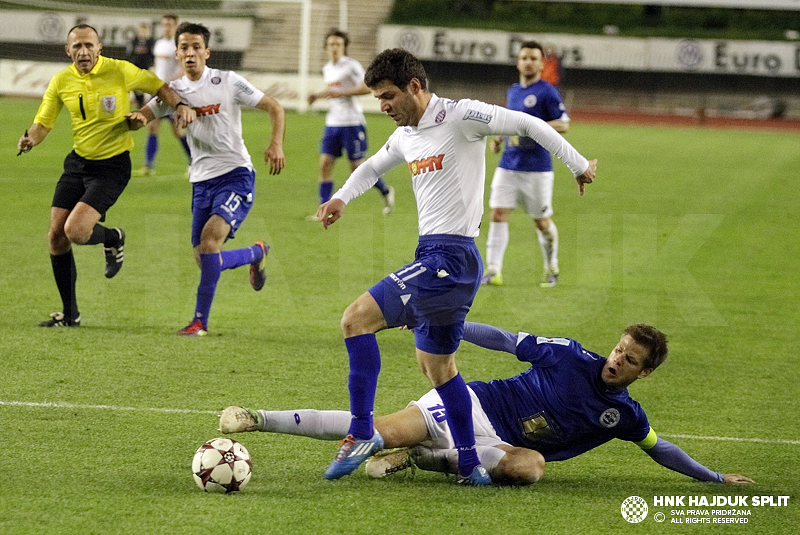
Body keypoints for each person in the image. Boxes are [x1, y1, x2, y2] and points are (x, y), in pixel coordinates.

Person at [313, 48, 597, 485]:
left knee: (355, 321)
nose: (383, 106)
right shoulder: (406, 135)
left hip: (453, 259)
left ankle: (359, 433)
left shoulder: (462, 115)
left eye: (388, 96)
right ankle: (468, 463)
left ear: (415, 86)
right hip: (433, 256)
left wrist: (577, 164)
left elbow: (527, 123)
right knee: (438, 369)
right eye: (377, 100)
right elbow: (372, 166)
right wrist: (341, 198)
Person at [219, 321, 754, 486]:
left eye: (630, 360)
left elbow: (660, 450)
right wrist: (450, 327)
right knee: (377, 430)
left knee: (532, 469)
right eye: (619, 350)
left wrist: (712, 479)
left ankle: (423, 459)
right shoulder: (568, 355)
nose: (616, 361)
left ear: (645, 371)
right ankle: (257, 419)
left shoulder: (625, 416)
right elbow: (503, 339)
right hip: (469, 404)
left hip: (500, 445)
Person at [17, 24, 195, 327]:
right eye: (77, 46)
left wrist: (179, 105)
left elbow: (160, 87)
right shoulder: (62, 81)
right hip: (77, 164)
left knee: (75, 231)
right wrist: (31, 138)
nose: (83, 52)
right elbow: (44, 120)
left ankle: (113, 237)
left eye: (89, 45)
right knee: (56, 236)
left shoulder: (121, 70)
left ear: (100, 48)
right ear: (68, 50)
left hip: (112, 167)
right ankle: (69, 314)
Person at [129, 22, 286, 337]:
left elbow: (274, 107)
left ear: (207, 52)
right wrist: (131, 119)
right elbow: (142, 118)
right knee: (204, 258)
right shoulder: (173, 93)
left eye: (196, 47)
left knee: (211, 239)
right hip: (201, 181)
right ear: (176, 53)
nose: (190, 53)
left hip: (236, 174)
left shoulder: (227, 82)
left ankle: (199, 322)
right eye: (184, 48)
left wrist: (276, 144)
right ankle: (256, 253)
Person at [482, 41, 570, 288]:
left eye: (533, 58)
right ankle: (493, 270)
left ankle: (551, 268)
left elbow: (563, 124)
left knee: (541, 222)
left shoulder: (547, 91)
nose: (528, 62)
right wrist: (499, 137)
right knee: (497, 214)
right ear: (517, 62)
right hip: (508, 165)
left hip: (537, 169)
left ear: (542, 63)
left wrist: (533, 128)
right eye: (524, 58)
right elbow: (511, 123)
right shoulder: (513, 91)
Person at [307, 30, 394, 216]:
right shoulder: (327, 69)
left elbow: (367, 87)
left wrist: (343, 93)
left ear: (344, 47)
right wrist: (318, 95)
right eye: (331, 44)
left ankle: (385, 191)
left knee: (357, 167)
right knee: (325, 164)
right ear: (326, 48)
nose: (335, 48)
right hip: (333, 123)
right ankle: (323, 209)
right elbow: (334, 90)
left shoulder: (351, 65)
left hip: (352, 123)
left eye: (338, 44)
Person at [135, 14, 193, 176]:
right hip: (157, 92)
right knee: (152, 127)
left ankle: (194, 162)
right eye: (164, 24)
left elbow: (183, 70)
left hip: (172, 93)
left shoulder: (179, 45)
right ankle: (148, 166)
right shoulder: (159, 44)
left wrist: (169, 85)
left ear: (175, 26)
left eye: (169, 24)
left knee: (177, 130)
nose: (166, 27)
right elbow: (157, 66)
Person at [126, 22, 155, 108]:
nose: (143, 33)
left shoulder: (151, 42)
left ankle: (145, 105)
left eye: (145, 31)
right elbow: (129, 55)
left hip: (146, 69)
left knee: (145, 90)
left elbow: (152, 56)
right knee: (135, 90)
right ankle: (137, 104)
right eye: (142, 30)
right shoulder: (134, 41)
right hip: (136, 69)